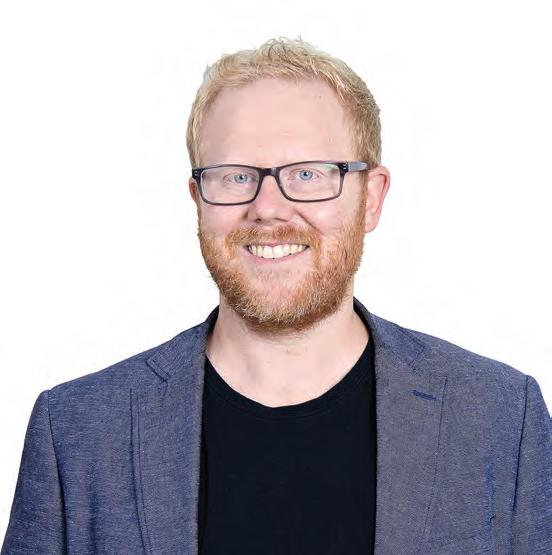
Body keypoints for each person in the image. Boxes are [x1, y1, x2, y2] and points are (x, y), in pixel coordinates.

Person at [2, 37, 550, 555]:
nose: (267, 208)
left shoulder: (502, 418)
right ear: (198, 199)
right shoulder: (75, 431)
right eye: (235, 176)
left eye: (309, 173)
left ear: (371, 199)